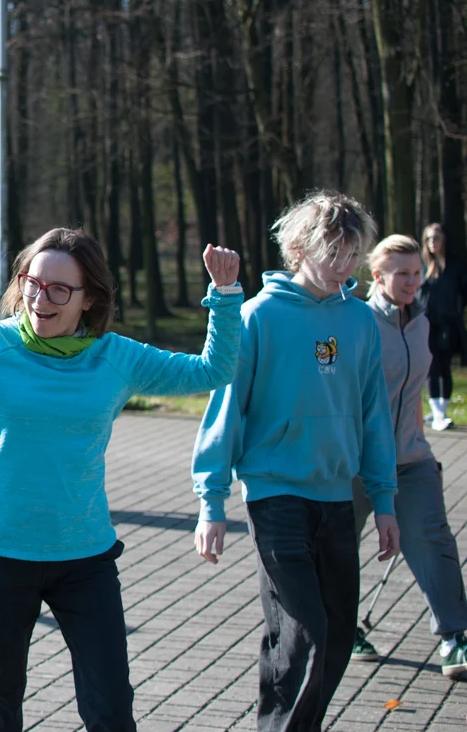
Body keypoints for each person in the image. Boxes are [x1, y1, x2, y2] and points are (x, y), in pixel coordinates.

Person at [0, 218, 243, 732]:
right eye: (33, 283)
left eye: (59, 289)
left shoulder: (117, 357)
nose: (41, 299)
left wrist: (225, 295)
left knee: (110, 708)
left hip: (83, 557)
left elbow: (212, 372)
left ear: (88, 298)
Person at [192, 191, 399, 732]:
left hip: (337, 496)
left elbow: (374, 414)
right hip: (274, 494)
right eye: (334, 251)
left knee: (333, 634)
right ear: (300, 247)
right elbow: (226, 409)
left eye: (353, 254)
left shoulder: (359, 321)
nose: (344, 265)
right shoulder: (258, 316)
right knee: (302, 630)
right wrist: (210, 503)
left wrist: (384, 500)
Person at [346, 234, 467, 677]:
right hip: (356, 462)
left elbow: (412, 390)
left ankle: (456, 637)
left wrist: (420, 443)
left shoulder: (420, 319)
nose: (412, 281)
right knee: (338, 548)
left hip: (410, 457)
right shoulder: (357, 321)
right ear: (377, 276)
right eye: (402, 273)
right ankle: (343, 630)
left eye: (417, 272)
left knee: (434, 540)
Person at [419, 223, 467, 431]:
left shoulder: (455, 266)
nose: (432, 243)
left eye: (436, 238)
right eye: (429, 239)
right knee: (430, 367)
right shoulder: (422, 266)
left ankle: (442, 411)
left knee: (444, 366)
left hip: (448, 323)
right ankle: (436, 411)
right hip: (426, 323)